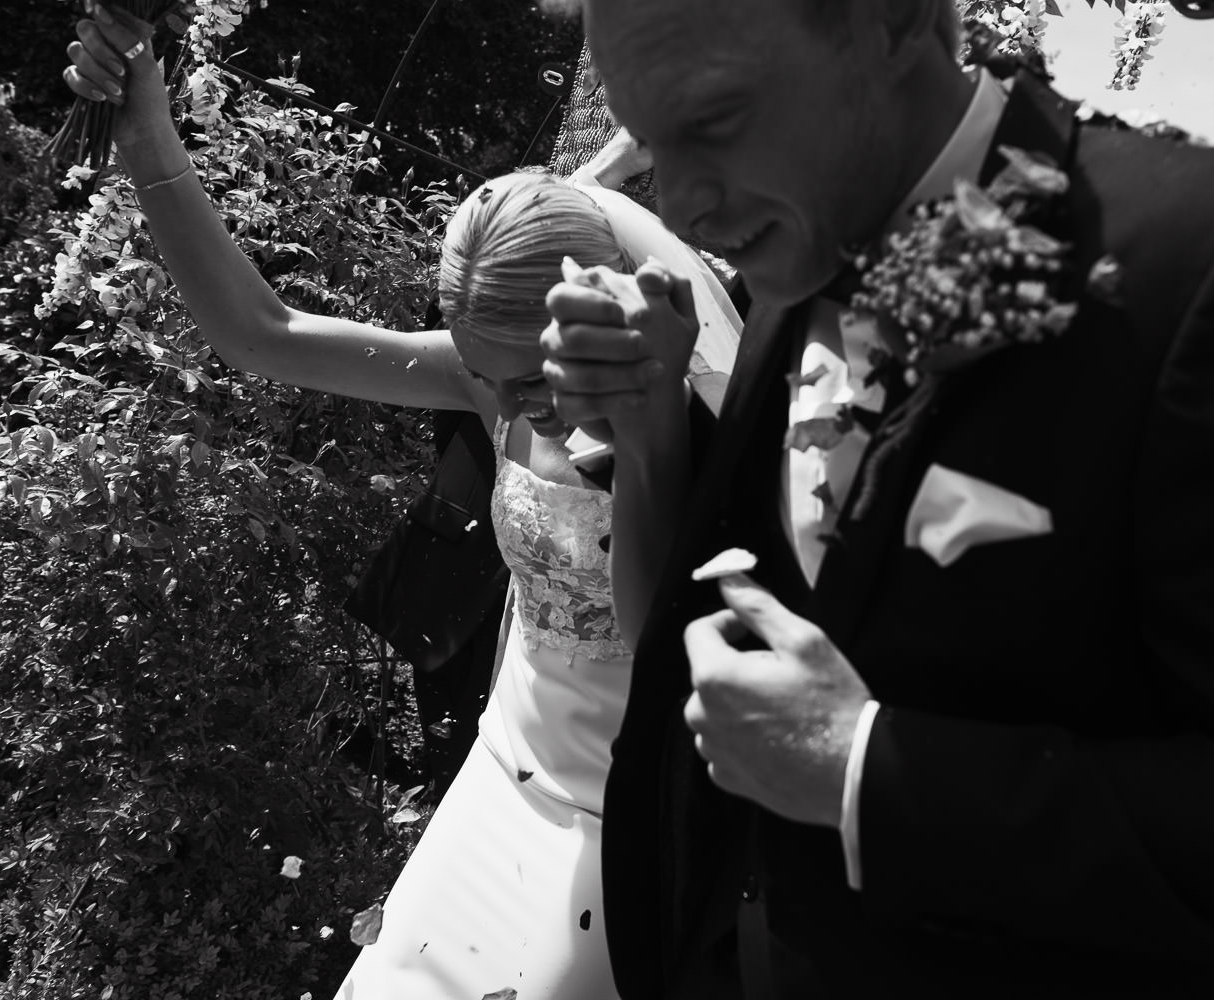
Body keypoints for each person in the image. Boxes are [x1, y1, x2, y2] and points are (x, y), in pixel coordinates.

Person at [541, 0, 1214, 996]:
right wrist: (652, 427)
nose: (675, 204)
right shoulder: (799, 246)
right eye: (650, 141)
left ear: (895, 21)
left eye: (713, 121)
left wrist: (872, 771)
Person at [61, 8, 740, 999]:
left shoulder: (698, 414)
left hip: (620, 820)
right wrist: (147, 137)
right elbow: (266, 334)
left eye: (532, 384)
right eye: (481, 375)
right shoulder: (492, 380)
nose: (505, 409)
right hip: (495, 775)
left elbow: (661, 647)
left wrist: (652, 442)